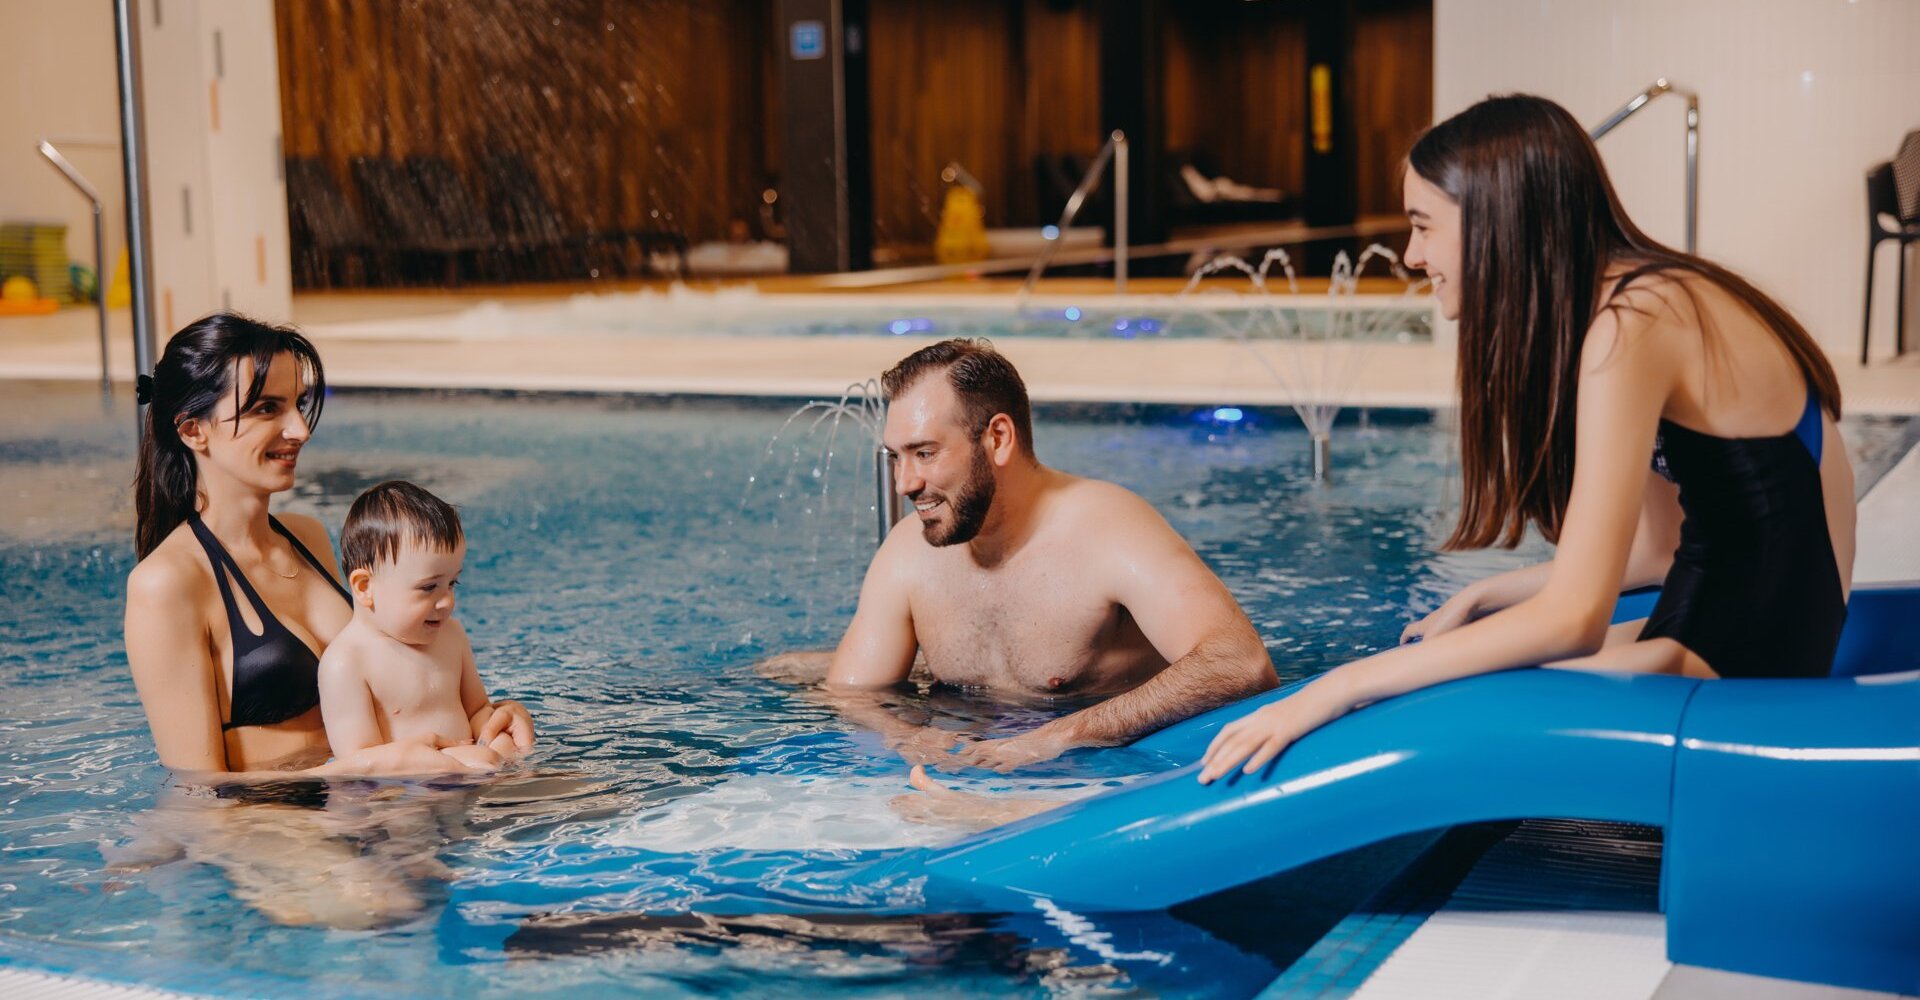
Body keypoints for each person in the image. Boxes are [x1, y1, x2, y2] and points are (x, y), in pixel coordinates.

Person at [1198, 94, 1856, 783]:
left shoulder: (1636, 321)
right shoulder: (1642, 300)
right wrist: (1489, 594)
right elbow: (1661, 550)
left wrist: (1335, 686)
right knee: (1446, 678)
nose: (1412, 255)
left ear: (1496, 218)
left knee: (1420, 703)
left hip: (1745, 666)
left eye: (1424, 226)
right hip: (1738, 624)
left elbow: (1575, 620)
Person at [120, 315, 536, 924]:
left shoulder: (308, 538)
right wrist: (368, 767)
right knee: (386, 908)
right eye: (266, 408)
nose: (296, 429)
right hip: (271, 819)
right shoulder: (167, 585)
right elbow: (199, 792)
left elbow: (394, 671)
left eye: (298, 404)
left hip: (382, 794)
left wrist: (491, 715)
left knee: (600, 819)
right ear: (193, 429)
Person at [777, 338, 1277, 772]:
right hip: (979, 763)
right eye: (896, 457)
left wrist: (1058, 738)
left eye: (924, 453)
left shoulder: (1109, 532)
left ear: (997, 438)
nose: (905, 483)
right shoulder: (909, 554)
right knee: (778, 668)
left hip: (1109, 773)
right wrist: (903, 735)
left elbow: (1241, 663)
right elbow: (850, 696)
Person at [318, 481, 521, 771]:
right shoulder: (347, 663)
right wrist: (462, 763)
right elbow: (360, 766)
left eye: (452, 583)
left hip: (470, 774)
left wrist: (495, 739)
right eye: (429, 588)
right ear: (365, 587)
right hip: (403, 799)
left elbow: (477, 710)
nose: (447, 602)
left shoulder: (453, 636)